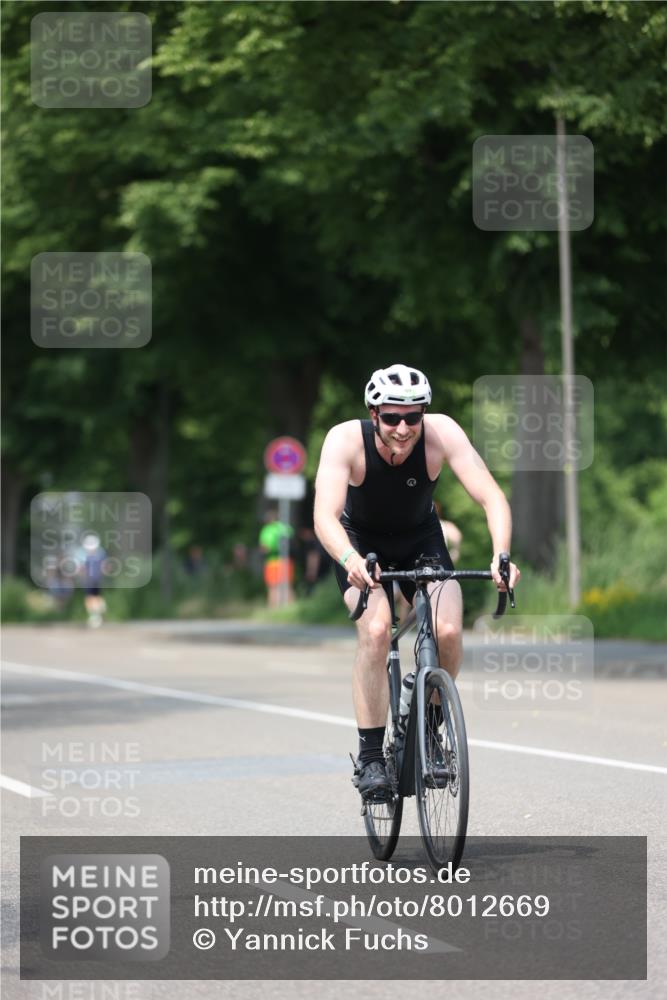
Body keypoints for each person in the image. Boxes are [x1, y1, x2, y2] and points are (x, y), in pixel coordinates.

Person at [313, 363, 520, 800]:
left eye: (413, 416)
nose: (404, 428)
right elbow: (323, 515)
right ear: (374, 415)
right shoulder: (344, 439)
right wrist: (349, 558)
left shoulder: (441, 433)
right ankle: (370, 759)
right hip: (358, 543)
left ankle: (429, 731)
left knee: (447, 631)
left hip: (421, 539)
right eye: (392, 417)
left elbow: (490, 495)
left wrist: (502, 555)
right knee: (375, 631)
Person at [258, 508, 295, 607]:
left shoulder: (267, 530)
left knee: (273, 587)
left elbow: (265, 547)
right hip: (286, 560)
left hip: (273, 562)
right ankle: (290, 608)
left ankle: (273, 609)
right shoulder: (285, 527)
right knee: (287, 586)